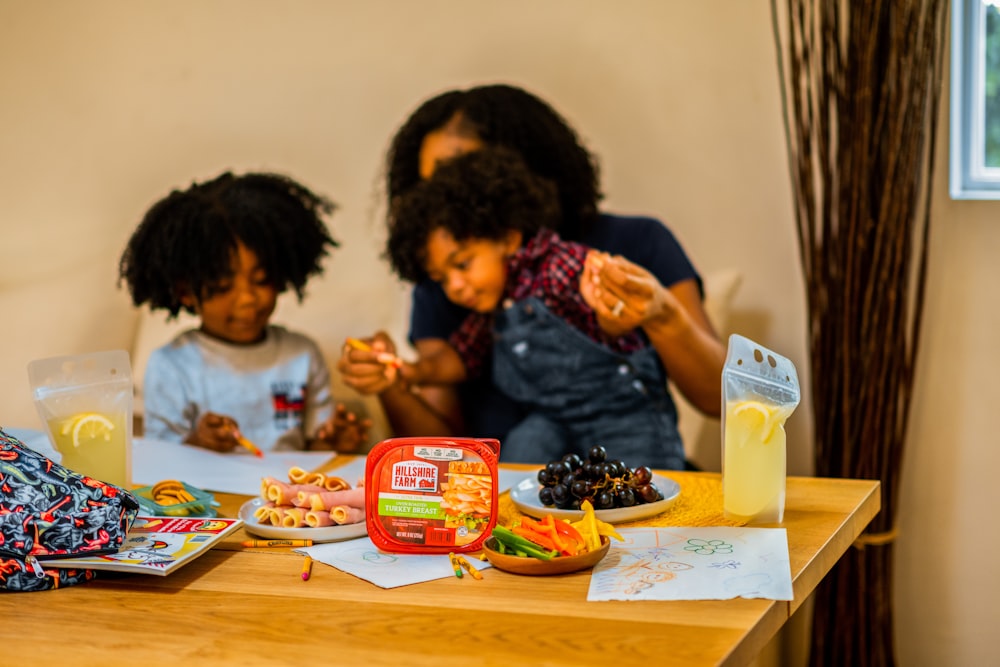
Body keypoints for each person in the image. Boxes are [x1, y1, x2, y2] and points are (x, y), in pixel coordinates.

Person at [338, 83, 724, 463]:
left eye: (460, 174)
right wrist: (393, 380)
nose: (444, 198)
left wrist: (659, 315)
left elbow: (720, 401)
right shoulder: (448, 285)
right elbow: (446, 455)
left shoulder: (622, 246)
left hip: (629, 438)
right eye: (430, 186)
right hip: (532, 473)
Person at [385, 147, 686, 469]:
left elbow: (614, 323)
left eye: (462, 264)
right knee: (518, 458)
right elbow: (460, 357)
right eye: (441, 278)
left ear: (509, 239)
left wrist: (608, 311)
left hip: (621, 412)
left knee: (634, 484)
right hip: (552, 418)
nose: (454, 286)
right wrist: (412, 372)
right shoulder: (494, 308)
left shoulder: (560, 267)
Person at [119, 171, 370, 453]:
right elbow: (161, 459)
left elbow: (315, 448)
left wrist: (336, 441)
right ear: (186, 292)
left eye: (262, 280)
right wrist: (200, 442)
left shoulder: (301, 355)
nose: (248, 299)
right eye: (223, 286)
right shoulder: (171, 366)